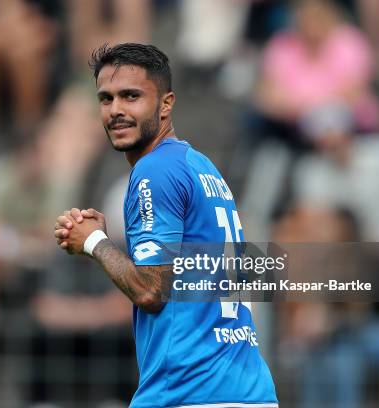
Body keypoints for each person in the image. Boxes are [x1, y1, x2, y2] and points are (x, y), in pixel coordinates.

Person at [53, 43, 278, 407]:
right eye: (106, 99)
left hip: (191, 391)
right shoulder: (200, 166)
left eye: (131, 96)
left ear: (166, 103)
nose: (116, 111)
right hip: (244, 390)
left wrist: (93, 241)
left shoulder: (154, 170)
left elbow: (151, 291)